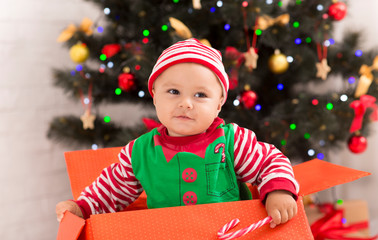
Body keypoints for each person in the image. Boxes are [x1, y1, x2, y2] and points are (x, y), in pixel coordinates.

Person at [56, 38, 299, 229]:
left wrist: (278, 190)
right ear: (154, 96)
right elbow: (110, 190)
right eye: (173, 91)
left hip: (229, 232)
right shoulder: (139, 153)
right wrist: (82, 208)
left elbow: (270, 161)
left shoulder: (231, 142)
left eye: (200, 95)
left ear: (219, 104)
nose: (186, 104)